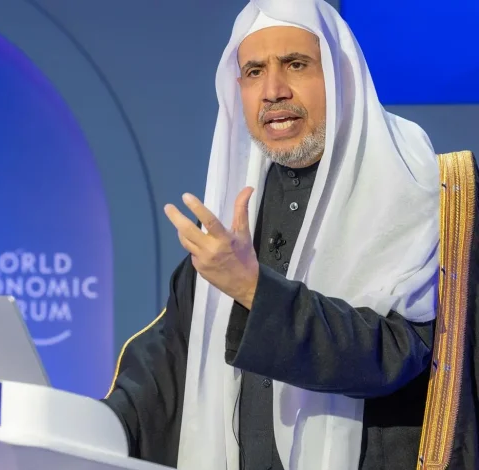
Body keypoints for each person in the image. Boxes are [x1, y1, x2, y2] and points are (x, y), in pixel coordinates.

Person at [101, 0, 479, 469]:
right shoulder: (235, 218)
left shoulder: (419, 191)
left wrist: (252, 289)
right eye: (254, 72)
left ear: (341, 76)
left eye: (296, 64)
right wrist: (85, 424)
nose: (273, 91)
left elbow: (396, 352)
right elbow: (169, 369)